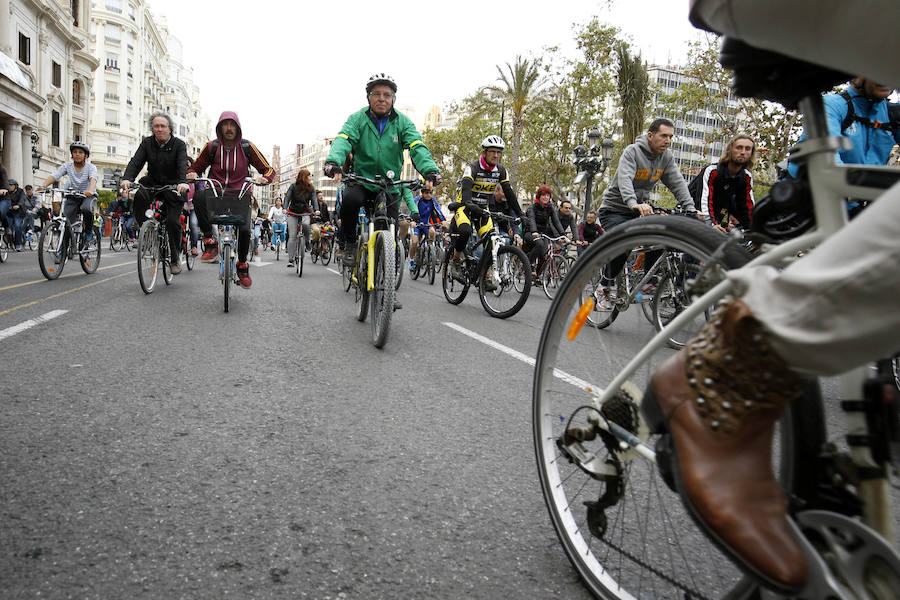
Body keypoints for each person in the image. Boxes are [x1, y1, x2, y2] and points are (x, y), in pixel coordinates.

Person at [639, 0, 900, 592]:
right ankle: (730, 369)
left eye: (744, 153)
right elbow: (705, 192)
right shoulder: (682, 162)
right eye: (738, 151)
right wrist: (705, 220)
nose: (741, 156)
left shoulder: (887, 115)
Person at [324, 73, 440, 309]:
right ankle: (348, 244)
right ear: (369, 97)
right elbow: (343, 139)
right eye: (376, 94)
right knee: (349, 201)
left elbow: (417, 146)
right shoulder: (357, 119)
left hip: (389, 185)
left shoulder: (403, 123)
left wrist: (429, 170)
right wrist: (333, 161)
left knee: (391, 231)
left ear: (393, 99)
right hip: (361, 180)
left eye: (387, 95)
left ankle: (388, 288)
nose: (381, 98)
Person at [187, 111, 275, 288]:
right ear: (220, 128)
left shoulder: (247, 147)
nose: (228, 128)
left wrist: (265, 178)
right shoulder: (211, 147)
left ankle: (242, 266)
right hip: (215, 194)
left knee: (244, 230)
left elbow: (268, 169)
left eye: (232, 125)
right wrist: (192, 174)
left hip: (240, 196)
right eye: (225, 125)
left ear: (238, 127)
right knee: (197, 195)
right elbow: (196, 167)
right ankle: (210, 242)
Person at [788, 78, 900, 216]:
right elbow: (829, 164)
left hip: (864, 208)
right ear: (855, 77)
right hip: (816, 206)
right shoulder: (831, 106)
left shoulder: (892, 113)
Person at [120, 112, 190, 273]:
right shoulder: (147, 143)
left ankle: (174, 259)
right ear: (152, 129)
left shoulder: (179, 144)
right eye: (156, 126)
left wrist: (182, 182)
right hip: (153, 182)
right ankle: (146, 231)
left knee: (173, 222)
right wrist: (127, 178)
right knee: (139, 195)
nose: (159, 129)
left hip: (173, 186)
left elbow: (182, 165)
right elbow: (136, 162)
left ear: (170, 128)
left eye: (163, 126)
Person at [448, 134, 518, 280]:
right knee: (465, 230)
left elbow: (509, 193)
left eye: (499, 152)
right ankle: (455, 261)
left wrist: (520, 214)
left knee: (491, 241)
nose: (496, 155)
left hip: (483, 208)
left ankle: (484, 277)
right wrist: (470, 204)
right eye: (492, 151)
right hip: (465, 206)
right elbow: (466, 192)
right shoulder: (472, 168)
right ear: (484, 152)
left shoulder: (501, 170)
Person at [695, 134, 756, 231]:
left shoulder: (746, 177)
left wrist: (754, 230)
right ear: (730, 150)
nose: (743, 152)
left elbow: (747, 206)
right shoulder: (712, 171)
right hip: (694, 218)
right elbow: (704, 201)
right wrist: (710, 224)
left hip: (717, 220)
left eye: (748, 149)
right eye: (739, 148)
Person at [40, 141, 99, 242]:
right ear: (71, 154)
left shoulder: (91, 167)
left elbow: (93, 178)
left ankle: (89, 231)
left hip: (88, 196)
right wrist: (43, 185)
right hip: (73, 196)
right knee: (65, 219)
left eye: (80, 152)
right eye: (75, 152)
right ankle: (63, 250)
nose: (77, 154)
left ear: (86, 155)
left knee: (86, 209)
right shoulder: (67, 166)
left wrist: (90, 190)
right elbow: (56, 175)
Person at [523, 186, 567, 271]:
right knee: (539, 244)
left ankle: (537, 275)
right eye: (543, 195)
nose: (545, 197)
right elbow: (532, 220)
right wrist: (534, 231)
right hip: (530, 232)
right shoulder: (532, 207)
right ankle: (528, 265)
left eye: (547, 195)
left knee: (545, 255)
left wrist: (563, 234)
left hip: (543, 234)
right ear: (539, 196)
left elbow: (556, 221)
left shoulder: (550, 208)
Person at [284, 169, 318, 263]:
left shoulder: (311, 188)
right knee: (292, 236)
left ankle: (307, 241)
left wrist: (317, 209)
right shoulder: (293, 186)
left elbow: (314, 199)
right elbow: (287, 197)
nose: (310, 178)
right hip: (293, 212)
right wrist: (284, 208)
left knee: (306, 225)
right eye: (309, 176)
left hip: (305, 212)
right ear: (304, 177)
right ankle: (291, 258)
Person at [409, 186, 444, 271]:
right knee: (415, 241)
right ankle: (412, 260)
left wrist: (443, 221)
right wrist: (411, 221)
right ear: (422, 193)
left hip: (426, 224)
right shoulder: (417, 200)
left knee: (432, 232)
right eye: (427, 193)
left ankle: (430, 252)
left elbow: (438, 210)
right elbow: (412, 211)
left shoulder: (433, 200)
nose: (429, 195)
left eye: (431, 193)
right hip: (416, 224)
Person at [6, 179, 31, 251]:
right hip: (9, 211)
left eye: (11, 185)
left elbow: (22, 199)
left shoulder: (20, 192)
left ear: (15, 186)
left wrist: (18, 205)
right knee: (7, 226)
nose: (9, 187)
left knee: (17, 226)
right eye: (9, 185)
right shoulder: (6, 192)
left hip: (18, 212)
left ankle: (18, 244)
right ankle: (9, 243)